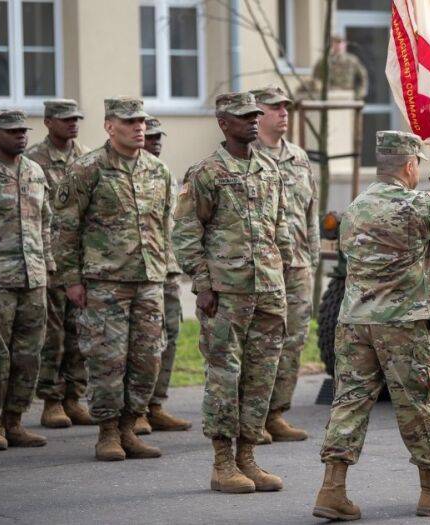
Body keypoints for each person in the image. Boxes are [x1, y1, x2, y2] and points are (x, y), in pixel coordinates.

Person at [311, 132, 430, 521]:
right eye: (417, 166)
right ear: (409, 166)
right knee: (416, 404)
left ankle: (332, 489)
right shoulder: (415, 205)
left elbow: (397, 260)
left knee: (349, 402)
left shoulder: (355, 209)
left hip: (355, 321)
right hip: (401, 325)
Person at [172, 92, 292, 494]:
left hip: (268, 289)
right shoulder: (205, 172)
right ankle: (223, 463)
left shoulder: (268, 168)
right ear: (223, 123)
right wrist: (202, 284)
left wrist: (284, 276)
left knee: (261, 376)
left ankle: (248, 458)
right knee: (225, 375)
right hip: (226, 292)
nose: (253, 122)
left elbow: (278, 228)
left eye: (256, 115)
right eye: (243, 117)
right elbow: (187, 233)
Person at [52, 97, 172, 462]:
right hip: (105, 283)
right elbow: (65, 228)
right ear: (109, 126)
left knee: (147, 359)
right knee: (107, 361)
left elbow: (165, 223)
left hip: (149, 281)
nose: (139, 128)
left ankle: (129, 428)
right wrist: (72, 279)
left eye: (142, 122)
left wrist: (165, 271)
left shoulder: (158, 170)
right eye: (130, 122)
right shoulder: (87, 168)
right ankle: (107, 433)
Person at [250, 85, 318, 443]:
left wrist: (313, 259)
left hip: (297, 266)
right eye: (275, 107)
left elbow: (311, 214)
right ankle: (252, 417)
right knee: (261, 342)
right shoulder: (246, 156)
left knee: (292, 341)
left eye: (285, 108)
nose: (284, 113)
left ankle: (276, 412)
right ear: (257, 114)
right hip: (261, 267)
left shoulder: (299, 158)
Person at [0, 110, 53, 451]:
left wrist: (49, 267)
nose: (21, 136)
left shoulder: (35, 171)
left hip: (34, 278)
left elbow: (46, 223)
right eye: (12, 131)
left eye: (24, 130)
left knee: (28, 354)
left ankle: (14, 421)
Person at [25, 99, 94, 429]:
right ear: (48, 122)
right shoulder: (33, 161)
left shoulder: (88, 158)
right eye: (66, 119)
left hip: (83, 258)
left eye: (76, 118)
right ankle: (51, 400)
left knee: (80, 330)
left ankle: (73, 397)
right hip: (51, 258)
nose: (73, 124)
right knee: (52, 333)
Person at [131, 117, 192, 435]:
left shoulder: (165, 176)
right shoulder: (130, 176)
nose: (156, 142)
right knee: (143, 343)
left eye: (159, 138)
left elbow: (178, 223)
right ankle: (135, 409)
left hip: (167, 269)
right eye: (150, 137)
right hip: (139, 273)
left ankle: (155, 405)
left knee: (169, 337)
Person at [312, 33, 369, 100]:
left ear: (344, 44)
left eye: (340, 43)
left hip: (347, 95)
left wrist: (359, 94)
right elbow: (315, 79)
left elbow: (363, 77)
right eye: (335, 43)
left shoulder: (352, 60)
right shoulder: (323, 61)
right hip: (330, 96)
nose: (338, 46)